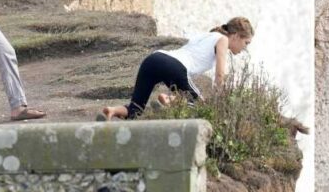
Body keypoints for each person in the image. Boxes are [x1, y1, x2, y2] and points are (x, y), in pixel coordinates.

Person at [101, 17, 253, 120]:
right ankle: (170, 99)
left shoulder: (208, 36)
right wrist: (220, 102)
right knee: (201, 106)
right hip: (174, 65)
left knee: (135, 110)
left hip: (153, 59)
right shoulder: (223, 40)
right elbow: (220, 74)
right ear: (236, 36)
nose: (245, 48)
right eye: (246, 43)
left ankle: (111, 110)